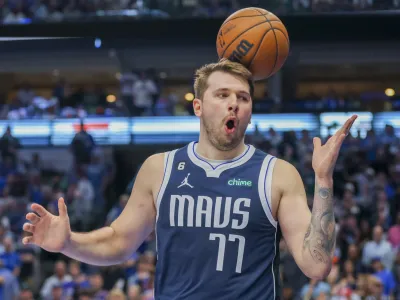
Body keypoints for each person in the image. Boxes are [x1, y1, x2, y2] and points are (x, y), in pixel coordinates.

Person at [22, 59, 357, 299]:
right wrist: (68, 243)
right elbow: (119, 241)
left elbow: (316, 265)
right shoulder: (160, 168)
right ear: (198, 106)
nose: (234, 105)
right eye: (222, 95)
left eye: (243, 97)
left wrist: (324, 180)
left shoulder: (277, 174)